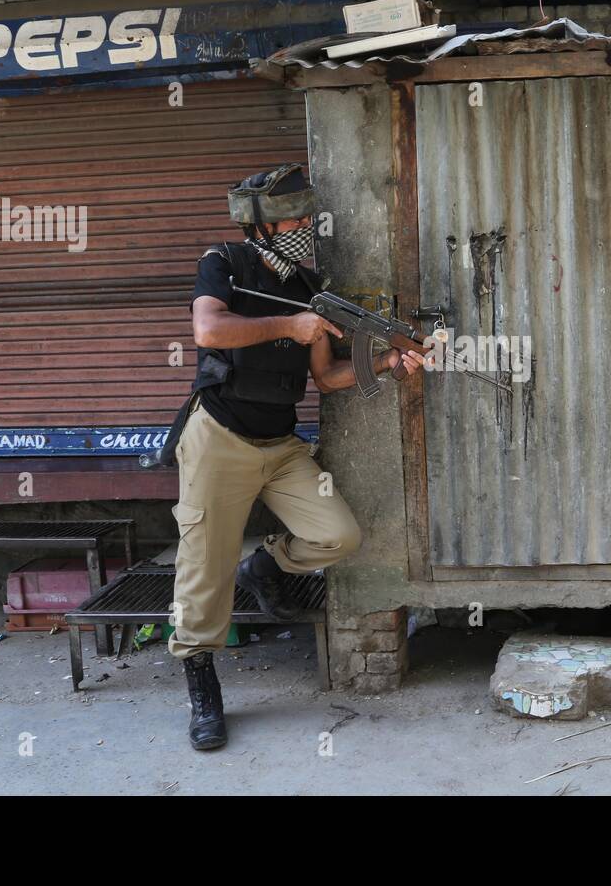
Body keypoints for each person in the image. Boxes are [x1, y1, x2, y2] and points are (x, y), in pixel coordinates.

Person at [165, 164, 425, 750]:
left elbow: (329, 376)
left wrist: (387, 362)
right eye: (294, 215)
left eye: (308, 213)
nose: (306, 223)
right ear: (259, 224)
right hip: (219, 438)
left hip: (282, 446)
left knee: (338, 535)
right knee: (204, 568)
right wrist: (291, 324)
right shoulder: (223, 262)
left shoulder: (309, 288)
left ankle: (266, 568)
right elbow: (209, 331)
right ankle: (201, 679)